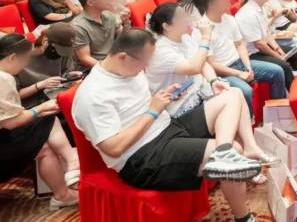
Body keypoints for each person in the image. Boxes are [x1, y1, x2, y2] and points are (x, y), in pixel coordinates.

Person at [72, 30, 265, 222]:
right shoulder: (93, 95)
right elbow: (113, 148)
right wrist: (152, 111)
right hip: (142, 157)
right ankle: (244, 217)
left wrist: (165, 97)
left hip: (167, 128)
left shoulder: (128, 70)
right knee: (235, 151)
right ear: (123, 56)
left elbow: (139, 106)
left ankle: (225, 153)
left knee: (233, 95)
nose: (146, 67)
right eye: (144, 62)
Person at [0, 34, 81, 210]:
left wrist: (40, 110)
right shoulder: (4, 78)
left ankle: (64, 187)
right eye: (24, 60)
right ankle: (71, 167)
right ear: (12, 57)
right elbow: (10, 123)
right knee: (46, 123)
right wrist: (40, 109)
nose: (24, 65)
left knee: (44, 141)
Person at [198, 0, 287, 103]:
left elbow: (239, 45)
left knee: (277, 71)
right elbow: (212, 64)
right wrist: (239, 73)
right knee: (246, 91)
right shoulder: (203, 28)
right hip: (223, 72)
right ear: (211, 4)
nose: (228, 0)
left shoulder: (229, 19)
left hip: (240, 63)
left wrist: (247, 66)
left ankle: (278, 108)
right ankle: (251, 116)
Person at [235, 0, 297, 91]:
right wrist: (278, 56)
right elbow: (259, 44)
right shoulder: (248, 14)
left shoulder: (260, 7)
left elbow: (266, 33)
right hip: (252, 54)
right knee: (283, 66)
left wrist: (278, 49)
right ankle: (290, 96)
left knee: (293, 52)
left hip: (261, 49)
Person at [72, 0, 124, 69]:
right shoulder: (78, 26)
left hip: (112, 59)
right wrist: (110, 68)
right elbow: (85, 58)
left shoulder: (109, 15)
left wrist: (126, 22)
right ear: (90, 3)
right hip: (95, 68)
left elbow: (123, 37)